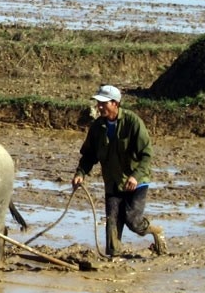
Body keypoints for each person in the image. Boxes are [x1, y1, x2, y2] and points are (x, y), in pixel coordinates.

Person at [71, 84, 167, 258]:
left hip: (136, 181)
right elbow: (89, 156)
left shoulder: (132, 122)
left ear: (115, 103)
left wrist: (135, 176)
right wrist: (80, 173)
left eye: (103, 103)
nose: (99, 107)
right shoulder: (97, 128)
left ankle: (155, 230)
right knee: (112, 222)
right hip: (113, 182)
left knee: (133, 221)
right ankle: (113, 259)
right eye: (98, 103)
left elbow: (146, 154)